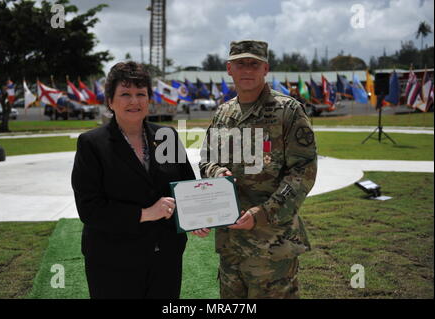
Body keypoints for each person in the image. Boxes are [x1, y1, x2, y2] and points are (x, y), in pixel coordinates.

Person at [195, 40, 317, 299]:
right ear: (229, 69)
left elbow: (303, 171)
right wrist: (216, 172)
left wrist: (263, 213)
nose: (247, 69)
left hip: (272, 246)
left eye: (254, 63)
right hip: (230, 245)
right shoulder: (223, 113)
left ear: (266, 69)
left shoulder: (288, 111)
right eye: (241, 63)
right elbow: (206, 159)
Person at [71, 61, 196, 299]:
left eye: (141, 94)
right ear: (110, 100)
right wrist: (146, 213)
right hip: (113, 261)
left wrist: (195, 216)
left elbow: (185, 188)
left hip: (165, 260)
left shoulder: (166, 136)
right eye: (125, 94)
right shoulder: (91, 144)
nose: (134, 101)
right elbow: (89, 209)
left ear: (149, 99)